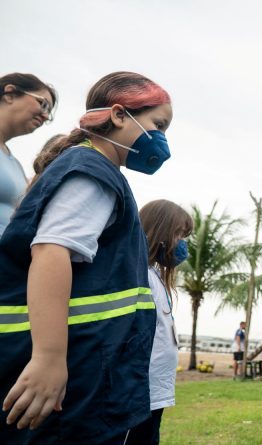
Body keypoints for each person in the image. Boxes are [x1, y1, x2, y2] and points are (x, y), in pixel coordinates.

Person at [0, 71, 173, 444]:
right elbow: (51, 251)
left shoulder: (93, 169)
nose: (162, 139)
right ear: (118, 115)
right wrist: (49, 359)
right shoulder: (92, 172)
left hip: (86, 359)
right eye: (158, 124)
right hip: (76, 365)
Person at [127, 200, 193, 445]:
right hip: (140, 393)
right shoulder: (139, 275)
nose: (182, 243)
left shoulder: (154, 276)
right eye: (178, 233)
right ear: (159, 231)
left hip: (155, 392)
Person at [0, 73, 57, 236]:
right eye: (43, 104)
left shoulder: (15, 165)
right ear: (10, 94)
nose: (46, 116)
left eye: (50, 113)